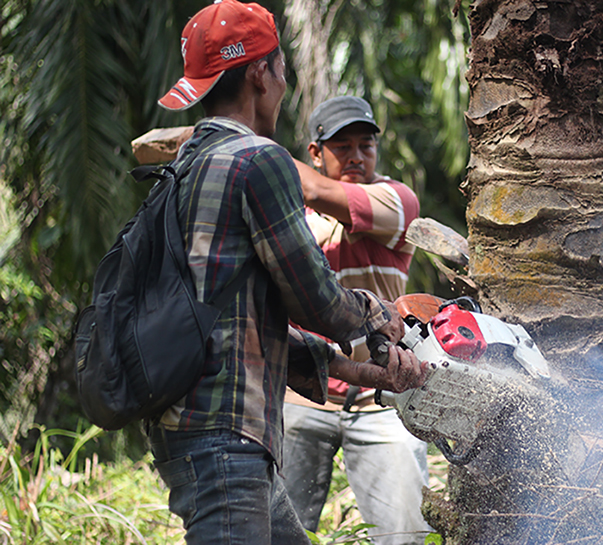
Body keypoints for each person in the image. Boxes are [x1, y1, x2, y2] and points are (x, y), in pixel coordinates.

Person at [149, 2, 426, 544]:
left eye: (364, 144)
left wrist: (367, 373)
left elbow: (249, 317)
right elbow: (316, 301)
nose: (284, 82)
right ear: (261, 73)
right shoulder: (259, 163)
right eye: (280, 69)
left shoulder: (186, 165)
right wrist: (381, 318)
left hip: (197, 419)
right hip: (228, 431)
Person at [281, 96, 431, 545]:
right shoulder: (292, 220)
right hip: (302, 398)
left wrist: (240, 146)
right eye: (342, 146)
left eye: (365, 145)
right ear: (315, 153)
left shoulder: (395, 201)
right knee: (277, 532)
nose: (356, 156)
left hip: (381, 401)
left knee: (403, 535)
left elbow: (315, 192)